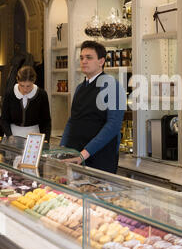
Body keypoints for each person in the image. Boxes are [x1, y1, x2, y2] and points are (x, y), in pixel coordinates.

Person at [60, 41, 126, 173]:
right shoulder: (80, 87)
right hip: (75, 156)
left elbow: (113, 125)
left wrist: (84, 153)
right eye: (82, 58)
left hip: (100, 159)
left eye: (89, 58)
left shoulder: (111, 85)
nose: (84, 61)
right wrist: (62, 147)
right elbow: (72, 120)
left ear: (101, 61)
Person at [1, 66, 51, 142]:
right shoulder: (10, 94)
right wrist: (9, 135)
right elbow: (4, 119)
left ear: (34, 81)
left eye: (28, 86)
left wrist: (46, 139)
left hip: (34, 136)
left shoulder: (41, 94)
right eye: (22, 85)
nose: (25, 89)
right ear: (17, 80)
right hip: (12, 135)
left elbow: (46, 121)